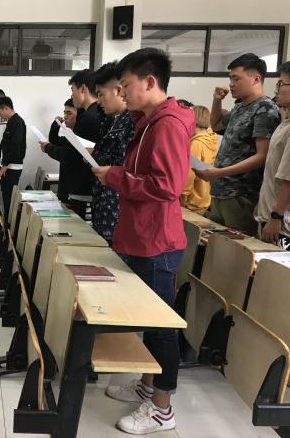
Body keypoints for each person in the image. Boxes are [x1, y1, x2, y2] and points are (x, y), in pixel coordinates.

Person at [92, 48, 195, 435]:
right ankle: (148, 385)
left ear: (150, 83)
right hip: (142, 235)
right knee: (148, 320)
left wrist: (114, 177)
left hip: (157, 242)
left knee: (160, 326)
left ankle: (163, 409)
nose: (121, 93)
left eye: (126, 86)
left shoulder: (167, 125)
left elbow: (166, 186)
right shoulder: (148, 121)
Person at [196, 53, 279, 235]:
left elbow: (262, 156)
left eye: (236, 78)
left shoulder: (265, 108)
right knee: (215, 244)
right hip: (221, 190)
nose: (231, 84)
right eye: (230, 79)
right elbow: (216, 124)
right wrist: (217, 100)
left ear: (255, 79)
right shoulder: (239, 107)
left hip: (241, 194)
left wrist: (219, 172)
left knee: (235, 247)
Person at [91, 61, 134, 244]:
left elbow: (125, 164)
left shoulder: (131, 121)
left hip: (115, 205)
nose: (99, 101)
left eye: (101, 94)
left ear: (117, 90)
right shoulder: (116, 119)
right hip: (104, 201)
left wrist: (95, 155)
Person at [255, 61, 290, 249]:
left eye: (281, 84)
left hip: (281, 225)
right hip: (270, 217)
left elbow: (288, 179)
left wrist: (277, 217)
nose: (276, 90)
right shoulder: (284, 123)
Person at [39, 99, 91, 218]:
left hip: (78, 191)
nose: (65, 117)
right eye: (64, 113)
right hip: (68, 189)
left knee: (77, 223)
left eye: (69, 113)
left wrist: (47, 147)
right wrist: (55, 125)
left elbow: (64, 155)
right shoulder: (71, 134)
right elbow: (55, 141)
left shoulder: (80, 135)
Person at [180, 105, 218, 214]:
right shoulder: (211, 139)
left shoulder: (196, 144)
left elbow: (189, 174)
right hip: (202, 198)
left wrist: (181, 198)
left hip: (191, 202)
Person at [0, 96, 25, 215]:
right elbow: (5, 145)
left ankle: (9, 224)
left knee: (9, 199)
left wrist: (5, 165)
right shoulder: (11, 122)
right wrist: (1, 163)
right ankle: (6, 222)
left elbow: (15, 146)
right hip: (7, 166)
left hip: (12, 167)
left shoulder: (18, 122)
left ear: (6, 108)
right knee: (6, 196)